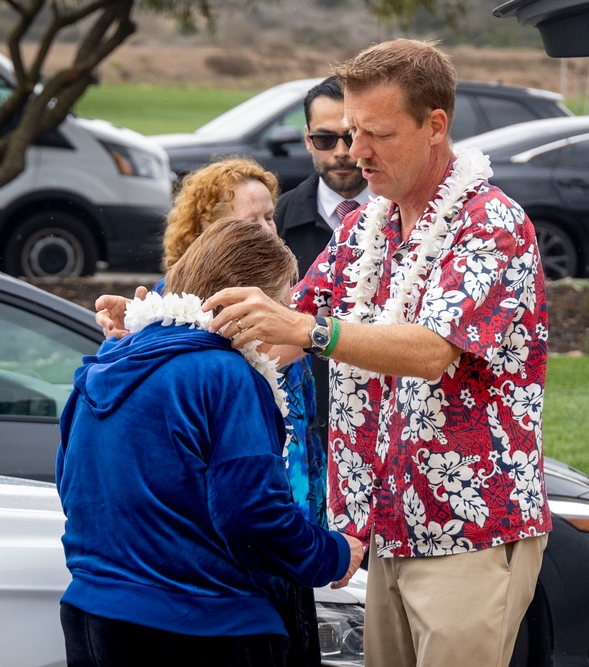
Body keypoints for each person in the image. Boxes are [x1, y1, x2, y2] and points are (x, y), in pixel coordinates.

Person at [201, 39, 551, 667]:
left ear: (434, 127)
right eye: (350, 131)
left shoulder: (491, 223)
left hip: (467, 528)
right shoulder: (370, 226)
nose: (356, 151)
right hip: (381, 526)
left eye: (377, 134)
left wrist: (314, 330)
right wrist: (159, 325)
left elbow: (431, 351)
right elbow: (279, 331)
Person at [57, 219, 363, 667]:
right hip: (199, 625)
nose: (284, 317)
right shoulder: (225, 374)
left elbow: (72, 488)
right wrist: (333, 553)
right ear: (248, 303)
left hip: (91, 614)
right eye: (281, 302)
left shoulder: (104, 363)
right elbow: (251, 514)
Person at [275, 75, 371, 451]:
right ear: (306, 139)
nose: (342, 152)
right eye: (324, 139)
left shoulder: (410, 221)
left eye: (350, 136)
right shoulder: (275, 224)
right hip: (296, 423)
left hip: (387, 423)